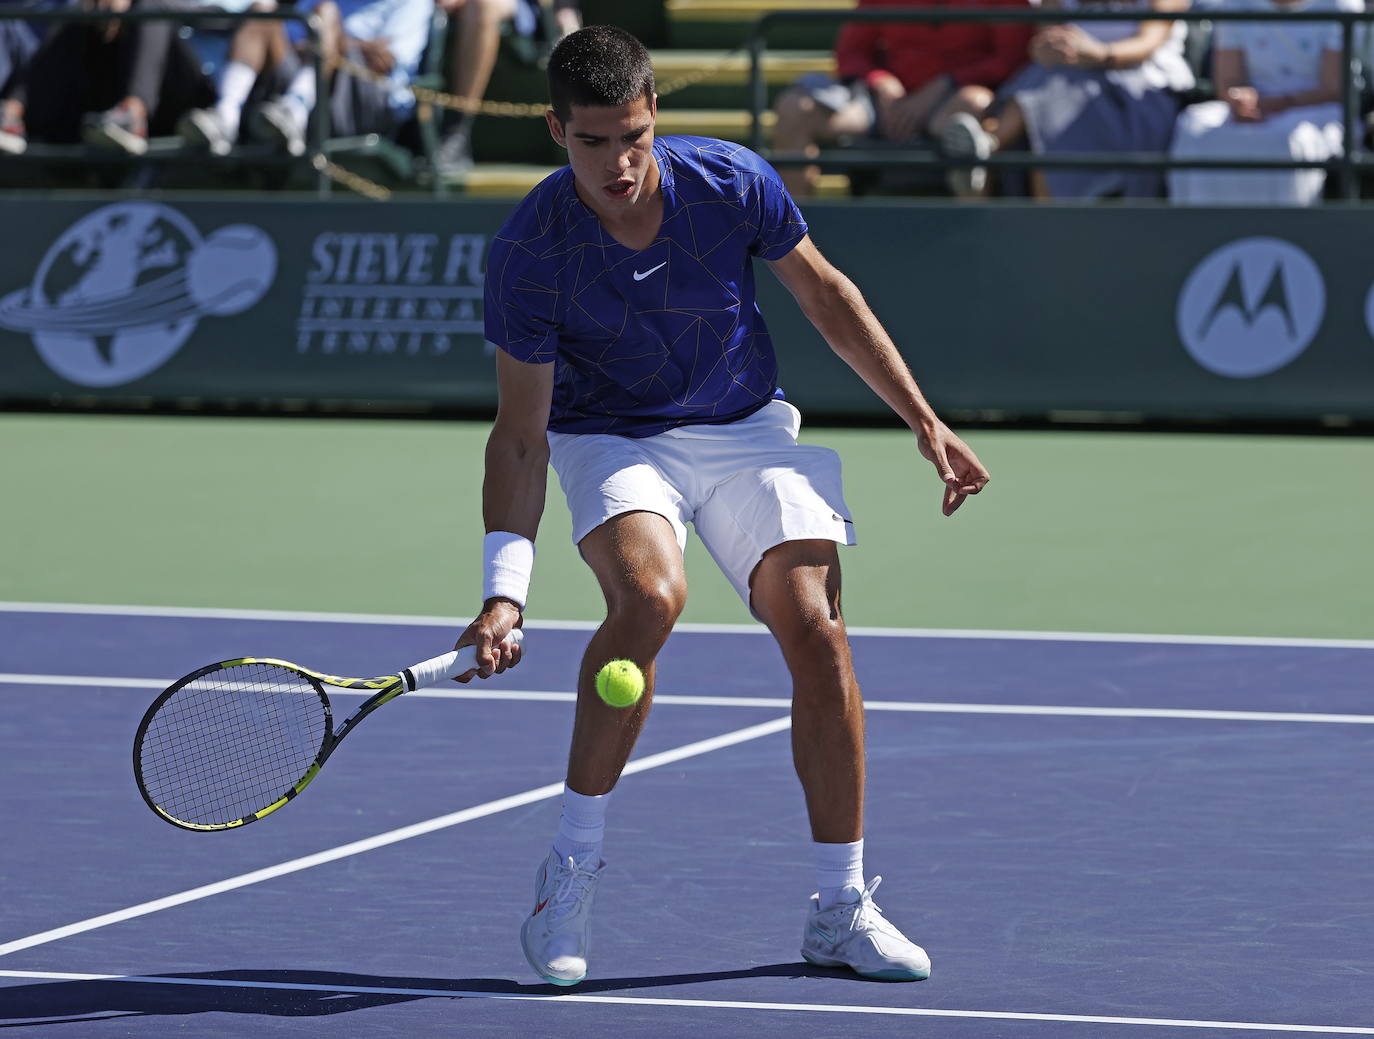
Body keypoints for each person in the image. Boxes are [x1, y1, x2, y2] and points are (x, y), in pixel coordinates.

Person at [456, 25, 990, 988]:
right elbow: (523, 435)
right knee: (649, 602)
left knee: (818, 629)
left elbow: (826, 296)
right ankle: (567, 874)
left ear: (654, 113)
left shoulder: (730, 181)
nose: (618, 163)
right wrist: (506, 590)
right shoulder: (530, 249)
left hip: (744, 428)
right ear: (553, 131)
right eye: (592, 142)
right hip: (612, 436)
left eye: (633, 136)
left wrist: (923, 419)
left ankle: (841, 905)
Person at [771, 0, 1035, 197]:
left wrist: (947, 83)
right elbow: (851, 52)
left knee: (971, 109)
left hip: (958, 98)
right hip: (887, 105)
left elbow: (1012, 59)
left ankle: (976, 237)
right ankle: (791, 246)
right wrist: (880, 81)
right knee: (796, 109)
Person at [941, 0, 1195, 199]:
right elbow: (1044, 37)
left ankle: (988, 145)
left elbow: (1148, 42)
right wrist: (1049, 49)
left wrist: (1098, 54)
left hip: (1140, 88)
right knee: (1049, 94)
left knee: (1049, 103)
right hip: (1062, 83)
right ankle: (982, 167)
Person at [178, 0, 432, 156]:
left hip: (364, 103)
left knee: (326, 13)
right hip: (302, 83)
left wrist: (338, 40)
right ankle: (226, 117)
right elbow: (293, 38)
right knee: (262, 10)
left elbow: (384, 63)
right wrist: (343, 43)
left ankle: (294, 110)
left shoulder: (412, 2)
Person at [1169, 0, 1359, 205]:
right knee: (1193, 125)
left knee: (1288, 142)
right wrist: (1239, 98)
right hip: (1261, 106)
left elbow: (1333, 89)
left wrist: (1281, 103)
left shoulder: (1340, 6)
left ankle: (1290, 231)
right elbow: (1229, 81)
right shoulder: (1233, 6)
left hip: (1316, 108)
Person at [7, 0, 217, 155]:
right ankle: (12, 113)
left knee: (150, 8)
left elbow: (224, 16)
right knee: (78, 13)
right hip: (117, 88)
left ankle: (132, 115)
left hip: (193, 103)